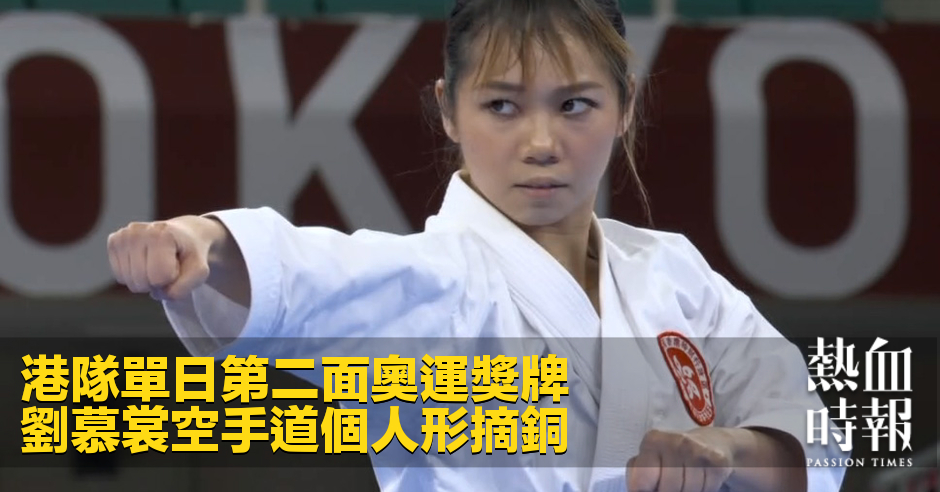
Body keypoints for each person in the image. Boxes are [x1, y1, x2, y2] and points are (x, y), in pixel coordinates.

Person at [107, 0, 847, 491]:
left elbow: (812, 433)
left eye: (575, 104)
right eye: (501, 105)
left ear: (625, 104)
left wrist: (726, 448)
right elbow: (311, 271)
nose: (541, 142)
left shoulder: (674, 274)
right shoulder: (437, 285)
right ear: (449, 110)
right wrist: (200, 238)